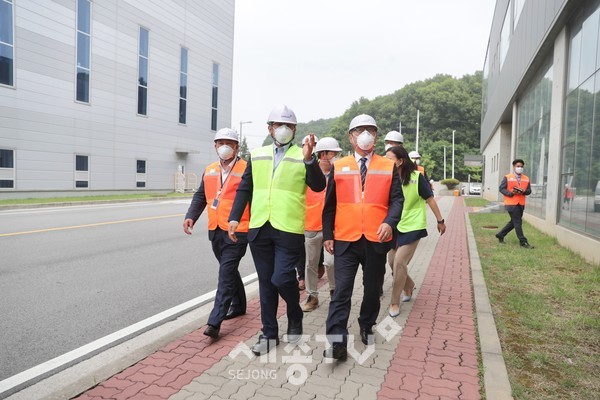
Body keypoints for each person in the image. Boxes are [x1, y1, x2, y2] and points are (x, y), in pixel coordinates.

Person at [228, 105, 326, 356]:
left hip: (289, 229)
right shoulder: (258, 155)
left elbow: (318, 185)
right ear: (270, 128)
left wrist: (309, 159)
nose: (283, 130)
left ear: (294, 130)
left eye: (289, 126)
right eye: (278, 125)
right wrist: (234, 218)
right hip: (260, 227)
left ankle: (294, 313)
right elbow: (244, 189)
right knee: (265, 284)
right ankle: (269, 333)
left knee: (281, 278)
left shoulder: (302, 155)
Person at [322, 114, 404, 361]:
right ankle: (336, 342)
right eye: (359, 130)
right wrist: (328, 234)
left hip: (376, 240)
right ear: (350, 136)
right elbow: (329, 204)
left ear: (376, 136)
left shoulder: (387, 165)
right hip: (346, 239)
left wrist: (390, 223)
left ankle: (366, 324)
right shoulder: (339, 165)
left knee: (372, 290)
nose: (365, 134)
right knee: (341, 292)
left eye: (370, 130)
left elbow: (397, 200)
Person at [183, 128, 250, 339]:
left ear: (237, 146)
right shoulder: (210, 169)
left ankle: (215, 322)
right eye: (220, 142)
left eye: (229, 142)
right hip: (215, 230)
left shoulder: (247, 168)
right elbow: (201, 195)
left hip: (237, 231)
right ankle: (239, 305)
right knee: (228, 271)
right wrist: (191, 215)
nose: (224, 146)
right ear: (214, 146)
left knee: (225, 274)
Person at [385, 146, 446, 317]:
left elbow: (430, 200)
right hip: (394, 225)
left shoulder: (416, 177)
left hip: (413, 225)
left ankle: (394, 302)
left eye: (390, 159)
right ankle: (409, 285)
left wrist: (440, 221)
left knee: (399, 262)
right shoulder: (386, 177)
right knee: (391, 261)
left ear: (400, 161)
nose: (386, 161)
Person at [301, 136, 341, 312]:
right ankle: (312, 296)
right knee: (310, 263)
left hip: (333, 227)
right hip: (311, 224)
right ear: (323, 154)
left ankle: (334, 292)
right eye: (334, 153)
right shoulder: (308, 171)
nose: (337, 156)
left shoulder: (339, 172)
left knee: (331, 263)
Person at [495, 159, 534, 249]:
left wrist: (524, 191)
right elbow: (501, 188)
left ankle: (500, 235)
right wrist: (511, 193)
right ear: (514, 167)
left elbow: (529, 191)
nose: (520, 168)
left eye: (521, 166)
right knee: (518, 222)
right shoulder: (507, 177)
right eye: (518, 166)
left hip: (521, 203)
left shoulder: (526, 178)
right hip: (511, 203)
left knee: (514, 222)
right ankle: (523, 242)